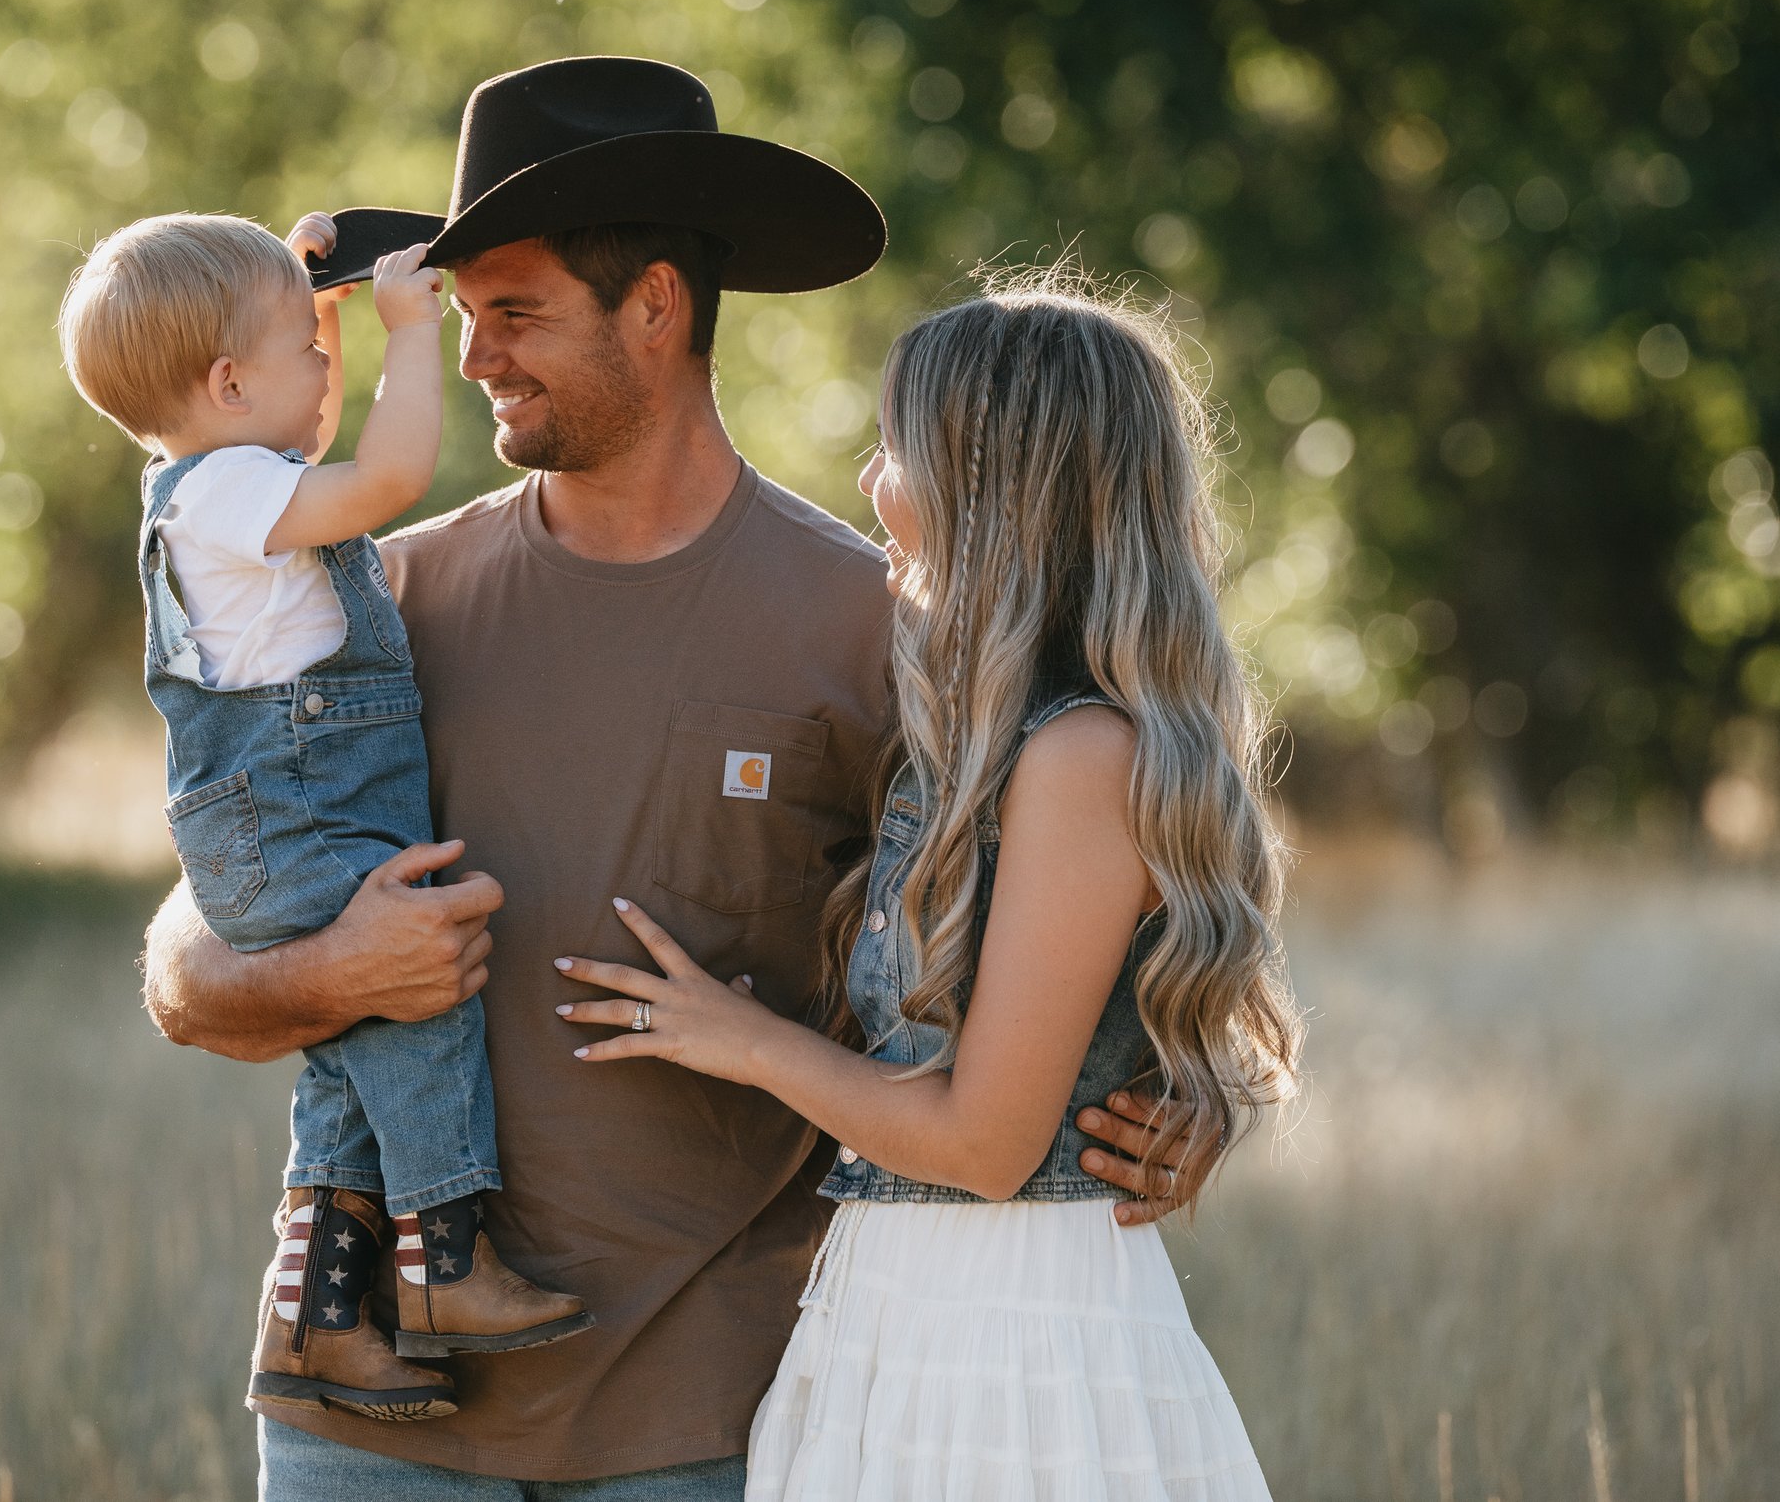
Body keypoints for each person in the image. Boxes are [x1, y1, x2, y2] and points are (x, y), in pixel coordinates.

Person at [141, 57, 1221, 1498]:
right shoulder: (382, 602)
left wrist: (1181, 1099)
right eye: (462, 314)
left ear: (655, 306)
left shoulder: (883, 634)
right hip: (373, 1405)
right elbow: (192, 954)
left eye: (512, 311)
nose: (471, 360)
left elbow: (1082, 911)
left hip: (706, 1413)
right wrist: (331, 966)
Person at [556, 276, 1303, 1499]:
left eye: (893, 446)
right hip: (910, 1303)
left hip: (1008, 1330)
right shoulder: (971, 728)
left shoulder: (1079, 755)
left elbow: (987, 1143)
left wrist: (739, 1038)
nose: (867, 479)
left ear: (990, 480)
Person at [57, 214, 588, 1424]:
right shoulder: (233, 490)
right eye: (304, 347)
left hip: (289, 807)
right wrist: (410, 332)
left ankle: (320, 1323)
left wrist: (330, 317)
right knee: (417, 998)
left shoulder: (224, 479)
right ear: (230, 383)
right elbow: (387, 476)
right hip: (297, 808)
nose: (324, 373)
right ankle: (448, 1263)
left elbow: (316, 427)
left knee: (350, 1059)